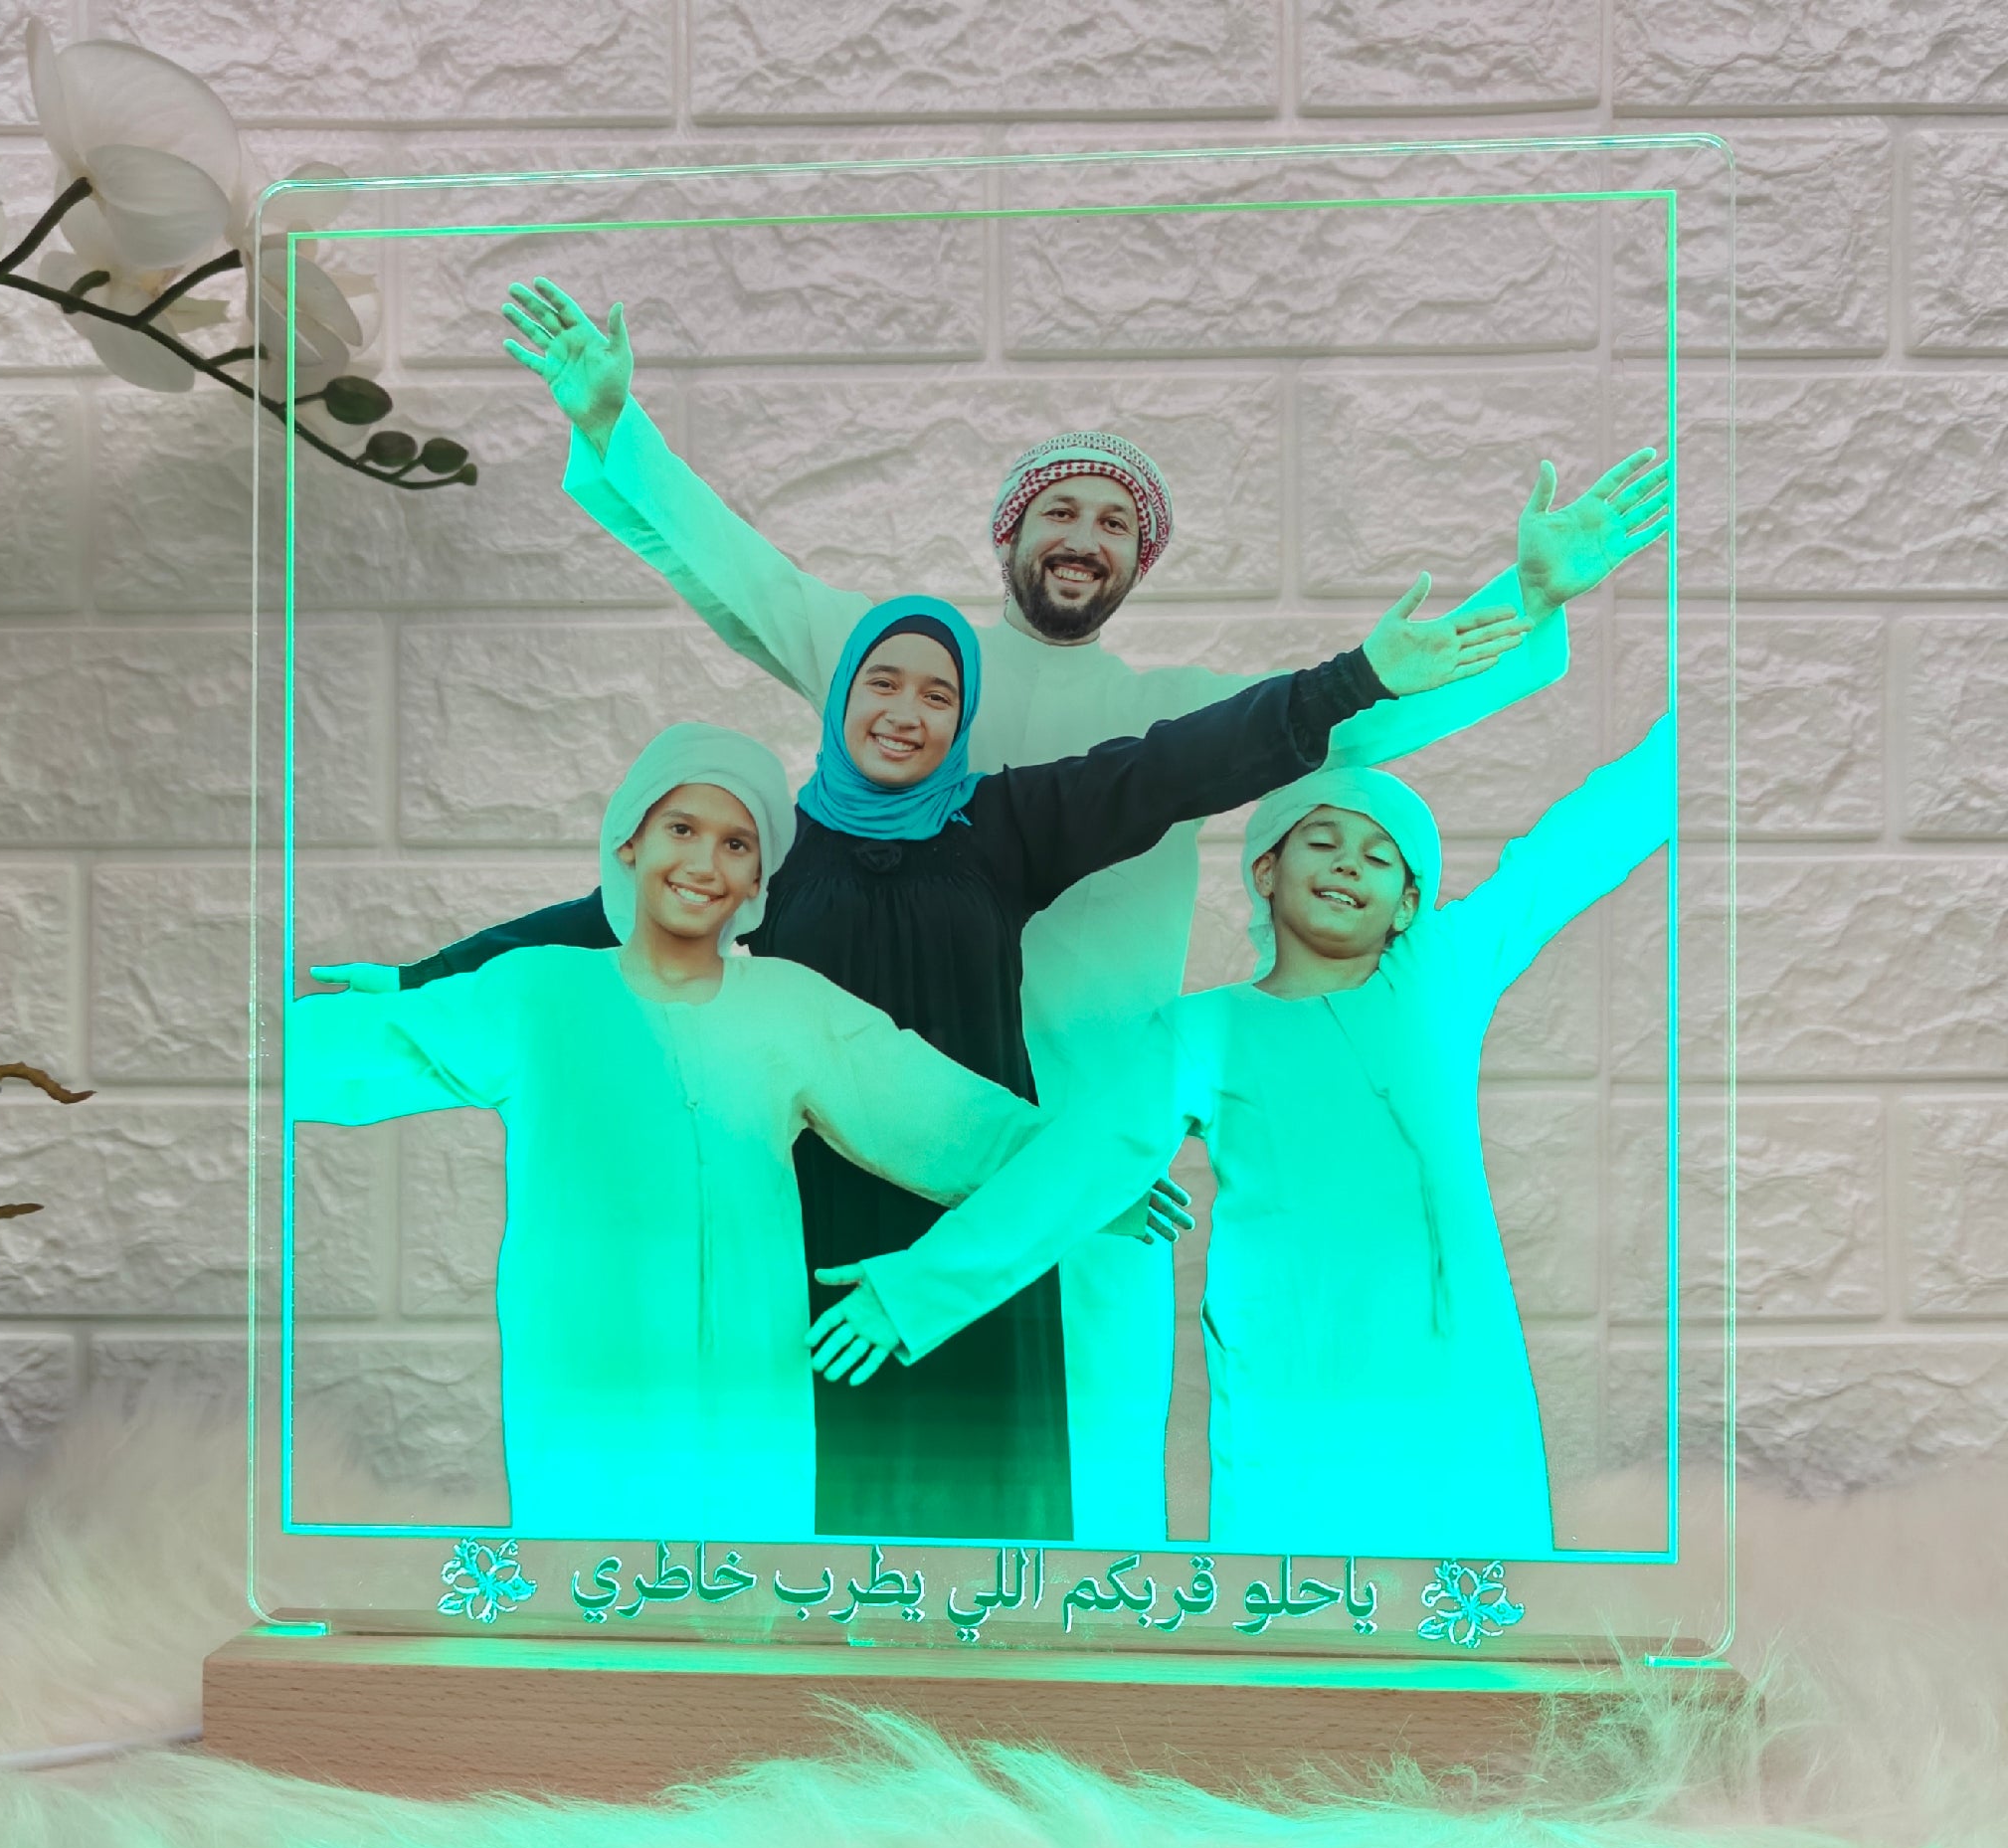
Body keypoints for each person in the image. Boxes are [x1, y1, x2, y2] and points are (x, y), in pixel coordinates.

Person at [327, 274, 1668, 1548]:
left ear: (1138, 564)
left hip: (1095, 1135)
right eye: (1058, 512)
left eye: (1113, 525)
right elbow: (735, 642)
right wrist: (617, 426)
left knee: (1095, 1457)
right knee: (850, 1428)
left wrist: (1527, 598)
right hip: (858, 1127)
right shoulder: (899, 670)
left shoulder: (1167, 722)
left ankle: (1088, 1681)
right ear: (1007, 536)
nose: (1083, 538)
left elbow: (1342, 704)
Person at [346, 581, 1525, 1545]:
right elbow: (601, 918)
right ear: (841, 697)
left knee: (987, 1486)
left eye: (939, 692)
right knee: (824, 1476)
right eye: (882, 681)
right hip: (824, 1215)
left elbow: (1177, 763)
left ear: (965, 720)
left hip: (979, 1201)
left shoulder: (1002, 825)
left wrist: (1354, 679)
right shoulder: (771, 846)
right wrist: (418, 978)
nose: (905, 710)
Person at [809, 712, 1677, 1561]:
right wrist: (916, 1289)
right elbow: (1072, 1174)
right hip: (1294, 1361)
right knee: (1302, 1607)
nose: (1349, 863)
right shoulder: (1203, 1030)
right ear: (1267, 868)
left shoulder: (1436, 979)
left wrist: (1692, 736)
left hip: (1451, 1369)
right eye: (1322, 841)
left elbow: (1570, 849)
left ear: (1408, 904)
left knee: (1475, 1610)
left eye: (1380, 857)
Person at [285, 723, 1101, 1545]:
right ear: (630, 842)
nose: (705, 864)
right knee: (585, 1594)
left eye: (736, 844)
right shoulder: (538, 993)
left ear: (756, 878)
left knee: (751, 1602)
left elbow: (957, 1126)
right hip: (588, 1397)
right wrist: (241, 1024)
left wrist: (1106, 1183)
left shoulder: (790, 1006)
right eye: (681, 829)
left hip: (752, 1405)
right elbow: (330, 1054)